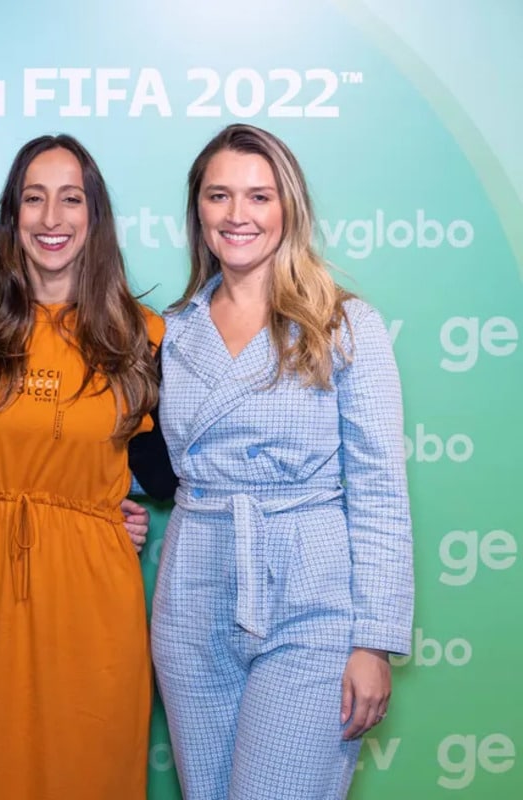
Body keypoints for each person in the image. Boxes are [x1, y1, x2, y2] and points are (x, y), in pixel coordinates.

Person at [150, 123, 413, 799]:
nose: (238, 215)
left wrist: (375, 640)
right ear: (198, 211)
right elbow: (137, 459)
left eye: (259, 197)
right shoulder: (168, 333)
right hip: (191, 596)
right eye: (219, 196)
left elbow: (381, 489)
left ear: (288, 207)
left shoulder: (345, 326)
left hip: (311, 600)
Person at [0, 133, 173, 800]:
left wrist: (97, 506)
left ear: (95, 217)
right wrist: (23, 492)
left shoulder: (142, 337)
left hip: (93, 590)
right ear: (13, 216)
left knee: (85, 766)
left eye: (70, 200)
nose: (52, 219)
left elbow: (167, 471)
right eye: (34, 199)